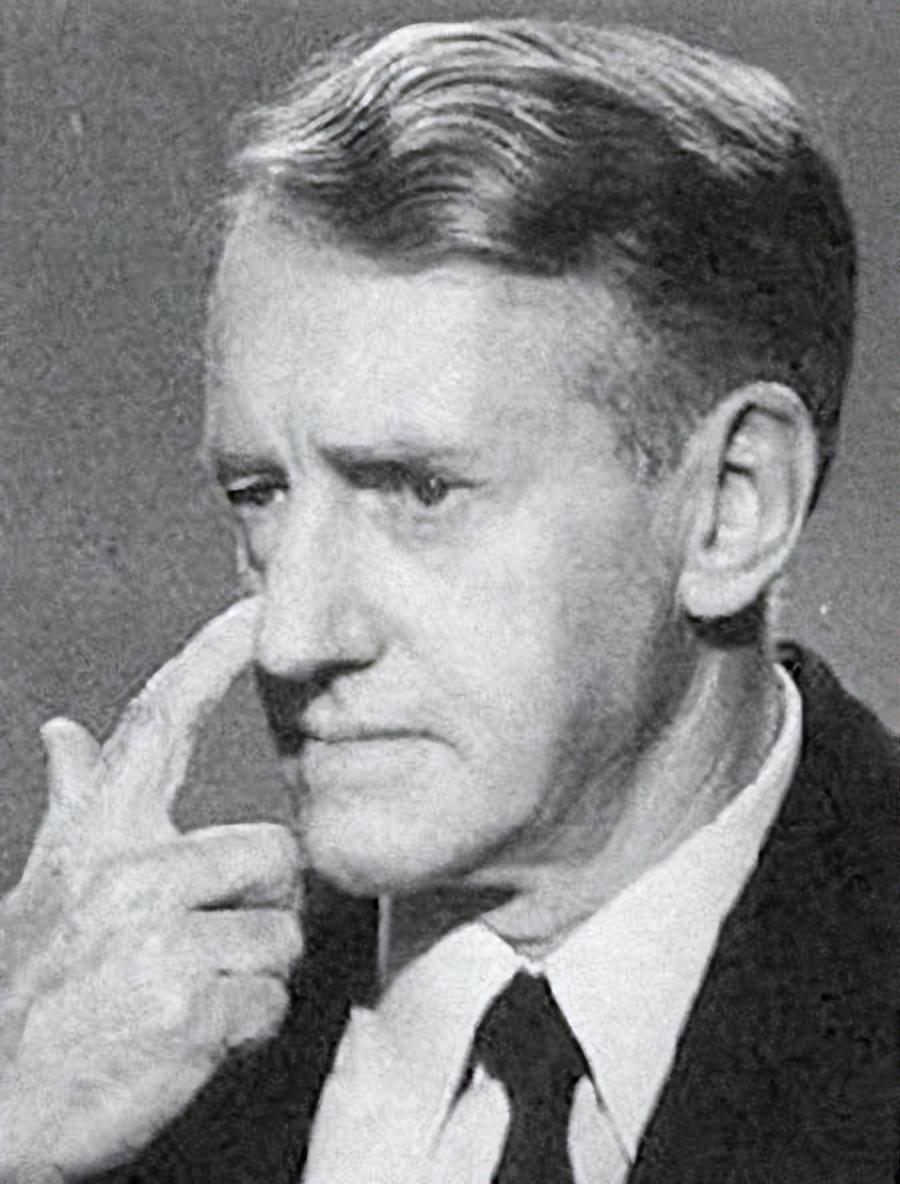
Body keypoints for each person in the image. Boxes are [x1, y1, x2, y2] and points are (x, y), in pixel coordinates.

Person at [1, 18, 896, 1184]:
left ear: (732, 505)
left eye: (420, 490)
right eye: (260, 493)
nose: (291, 636)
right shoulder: (83, 1077)